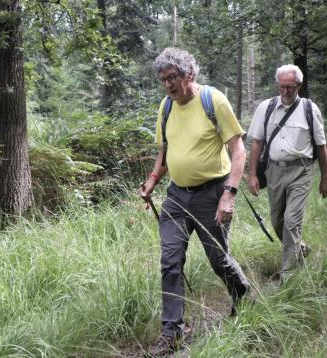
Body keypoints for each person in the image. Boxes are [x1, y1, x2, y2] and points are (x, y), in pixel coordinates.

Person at [139, 47, 250, 356]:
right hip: (176, 196)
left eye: (172, 78)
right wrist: (151, 180)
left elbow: (239, 151)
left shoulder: (212, 100)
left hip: (212, 193)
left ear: (190, 74)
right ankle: (172, 332)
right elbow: (165, 150)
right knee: (170, 262)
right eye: (162, 80)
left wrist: (229, 195)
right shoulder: (166, 106)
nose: (167, 86)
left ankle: (242, 293)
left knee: (219, 260)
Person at [246, 64, 327, 279]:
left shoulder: (309, 109)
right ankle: (299, 249)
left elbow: (321, 146)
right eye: (282, 87)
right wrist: (253, 174)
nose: (285, 91)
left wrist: (325, 177)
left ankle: (288, 274)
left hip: (301, 171)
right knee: (277, 222)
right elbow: (257, 142)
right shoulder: (266, 108)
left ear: (299, 86)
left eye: (290, 87)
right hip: (273, 171)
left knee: (292, 221)